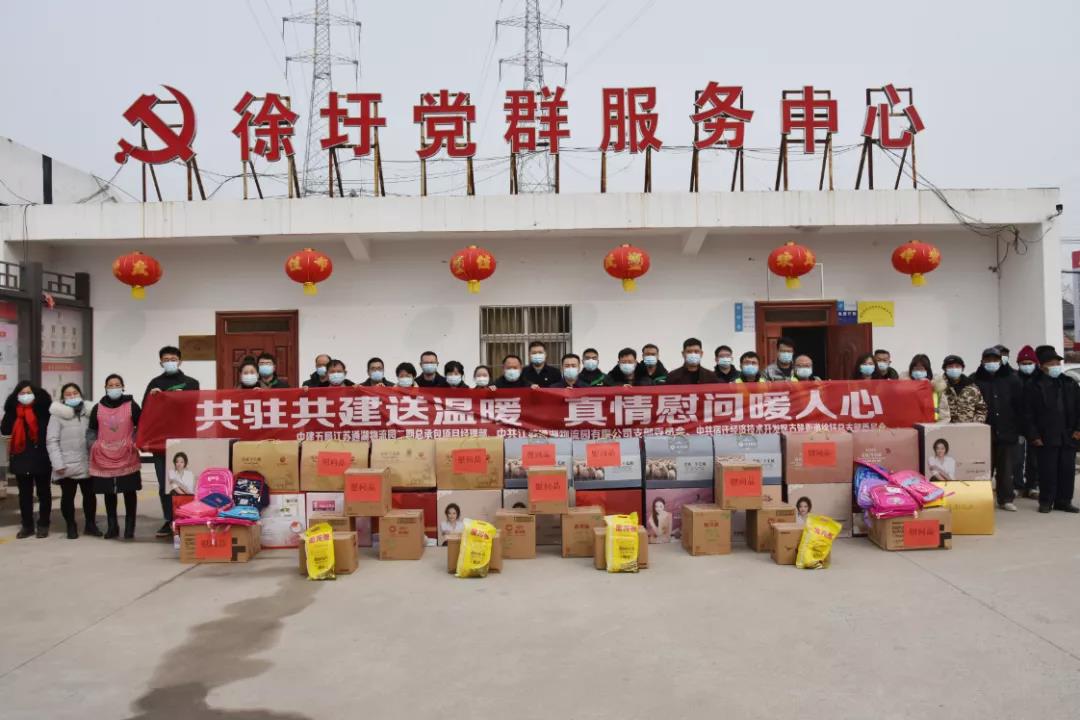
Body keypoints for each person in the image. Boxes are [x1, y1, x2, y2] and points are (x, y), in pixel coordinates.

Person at [142, 345, 200, 539]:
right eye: (166, 360)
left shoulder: (191, 383)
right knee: (164, 484)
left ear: (180, 361)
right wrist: (153, 399)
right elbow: (146, 411)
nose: (170, 362)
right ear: (160, 363)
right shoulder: (155, 383)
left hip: (184, 441)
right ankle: (169, 519)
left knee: (185, 482)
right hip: (161, 442)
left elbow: (194, 406)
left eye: (173, 359)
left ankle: (186, 516)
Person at [1024, 346, 1080, 513]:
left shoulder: (1069, 383)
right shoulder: (1033, 385)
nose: (1055, 366)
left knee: (1067, 470)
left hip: (1068, 435)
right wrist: (1034, 435)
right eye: (1051, 363)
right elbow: (1027, 413)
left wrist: (1078, 429)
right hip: (1046, 435)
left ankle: (1064, 501)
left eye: (1057, 363)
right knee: (1047, 471)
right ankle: (1046, 501)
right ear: (1042, 366)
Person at [89, 374, 142, 540]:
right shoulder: (98, 408)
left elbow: (141, 426)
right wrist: (94, 445)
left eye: (117, 385)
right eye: (110, 385)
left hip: (127, 455)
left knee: (129, 491)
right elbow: (91, 430)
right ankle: (112, 527)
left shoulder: (132, 406)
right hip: (104, 456)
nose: (114, 388)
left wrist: (134, 442)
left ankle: (130, 527)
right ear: (105, 388)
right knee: (109, 493)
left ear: (123, 387)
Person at [973, 346, 1024, 511]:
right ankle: (982, 498)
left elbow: (1020, 406)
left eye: (995, 360)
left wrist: (1020, 430)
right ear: (982, 361)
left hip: (1007, 430)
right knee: (983, 468)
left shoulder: (1012, 379)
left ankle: (1006, 499)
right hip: (983, 432)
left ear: (1000, 361)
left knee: (1006, 469)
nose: (991, 363)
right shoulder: (975, 380)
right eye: (988, 360)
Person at [2, 382, 53, 538]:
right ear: (16, 396)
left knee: (44, 493)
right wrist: (11, 412)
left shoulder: (43, 411)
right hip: (21, 457)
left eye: (28, 393)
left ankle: (43, 524)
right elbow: (5, 430)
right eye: (22, 393)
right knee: (24, 495)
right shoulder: (13, 412)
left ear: (35, 394)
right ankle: (27, 525)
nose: (25, 396)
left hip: (42, 456)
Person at [47, 383, 98, 539]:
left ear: (81, 395)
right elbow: (52, 441)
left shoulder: (89, 413)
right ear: (63, 398)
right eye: (68, 394)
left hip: (87, 462)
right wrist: (58, 463)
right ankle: (71, 525)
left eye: (75, 393)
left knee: (90, 496)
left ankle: (90, 525)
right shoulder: (56, 416)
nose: (72, 396)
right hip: (66, 464)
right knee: (68, 497)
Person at [1015, 345, 1040, 499]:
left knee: (1034, 459)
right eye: (1023, 363)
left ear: (1035, 363)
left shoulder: (1040, 380)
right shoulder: (1014, 379)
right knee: (1018, 458)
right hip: (1018, 426)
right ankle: (1018, 485)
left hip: (1035, 426)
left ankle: (1032, 485)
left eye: (1029, 363)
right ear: (1018, 364)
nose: (1026, 366)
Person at [941, 355, 988, 423]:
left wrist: (975, 424)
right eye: (950, 366)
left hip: (968, 428)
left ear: (962, 368)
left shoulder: (972, 388)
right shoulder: (939, 387)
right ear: (944, 369)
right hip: (944, 428)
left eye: (957, 366)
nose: (954, 369)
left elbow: (981, 409)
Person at [908, 354, 951, 422]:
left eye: (921, 369)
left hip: (932, 427)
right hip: (909, 427)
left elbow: (945, 418)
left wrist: (934, 428)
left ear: (927, 371)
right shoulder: (904, 390)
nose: (918, 372)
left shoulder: (937, 391)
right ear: (911, 371)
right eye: (915, 368)